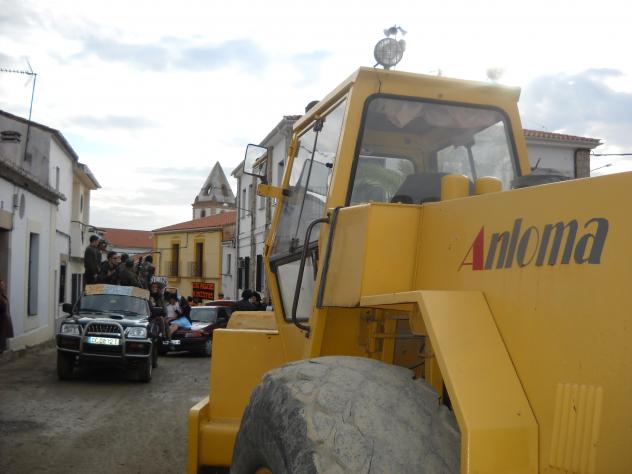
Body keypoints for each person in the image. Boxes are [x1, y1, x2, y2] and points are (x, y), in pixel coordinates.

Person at [0, 279, 14, 353]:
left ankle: (2, 350)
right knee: (1, 336)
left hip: (4, 320)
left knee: (3, 336)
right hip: (1, 320)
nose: (3, 286)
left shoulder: (3, 295)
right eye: (1, 285)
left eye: (3, 284)